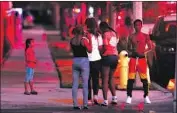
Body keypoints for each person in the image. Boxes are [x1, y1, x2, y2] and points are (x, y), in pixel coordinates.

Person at [126, 19, 152, 104]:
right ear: (134, 26)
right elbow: (128, 48)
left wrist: (143, 52)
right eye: (136, 25)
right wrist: (131, 51)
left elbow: (150, 47)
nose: (137, 26)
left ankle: (146, 96)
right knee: (130, 79)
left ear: (141, 26)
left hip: (142, 59)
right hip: (133, 59)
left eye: (139, 25)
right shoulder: (131, 36)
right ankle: (129, 96)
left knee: (144, 79)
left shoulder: (145, 36)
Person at [70, 26, 92, 110]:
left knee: (75, 84)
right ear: (82, 32)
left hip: (75, 61)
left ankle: (75, 104)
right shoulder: (84, 40)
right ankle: (85, 104)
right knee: (85, 84)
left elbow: (71, 50)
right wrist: (89, 39)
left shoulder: (72, 40)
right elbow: (90, 50)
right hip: (84, 62)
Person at [99, 22, 119, 106]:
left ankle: (105, 101)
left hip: (107, 57)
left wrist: (101, 53)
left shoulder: (105, 34)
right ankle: (114, 98)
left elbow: (105, 46)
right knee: (111, 78)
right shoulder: (114, 33)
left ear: (102, 28)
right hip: (115, 57)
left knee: (105, 80)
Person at [85, 18, 102, 105]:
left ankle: (88, 99)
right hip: (97, 59)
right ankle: (95, 96)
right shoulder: (98, 35)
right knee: (96, 79)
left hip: (87, 60)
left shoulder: (85, 35)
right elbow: (100, 48)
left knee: (87, 80)